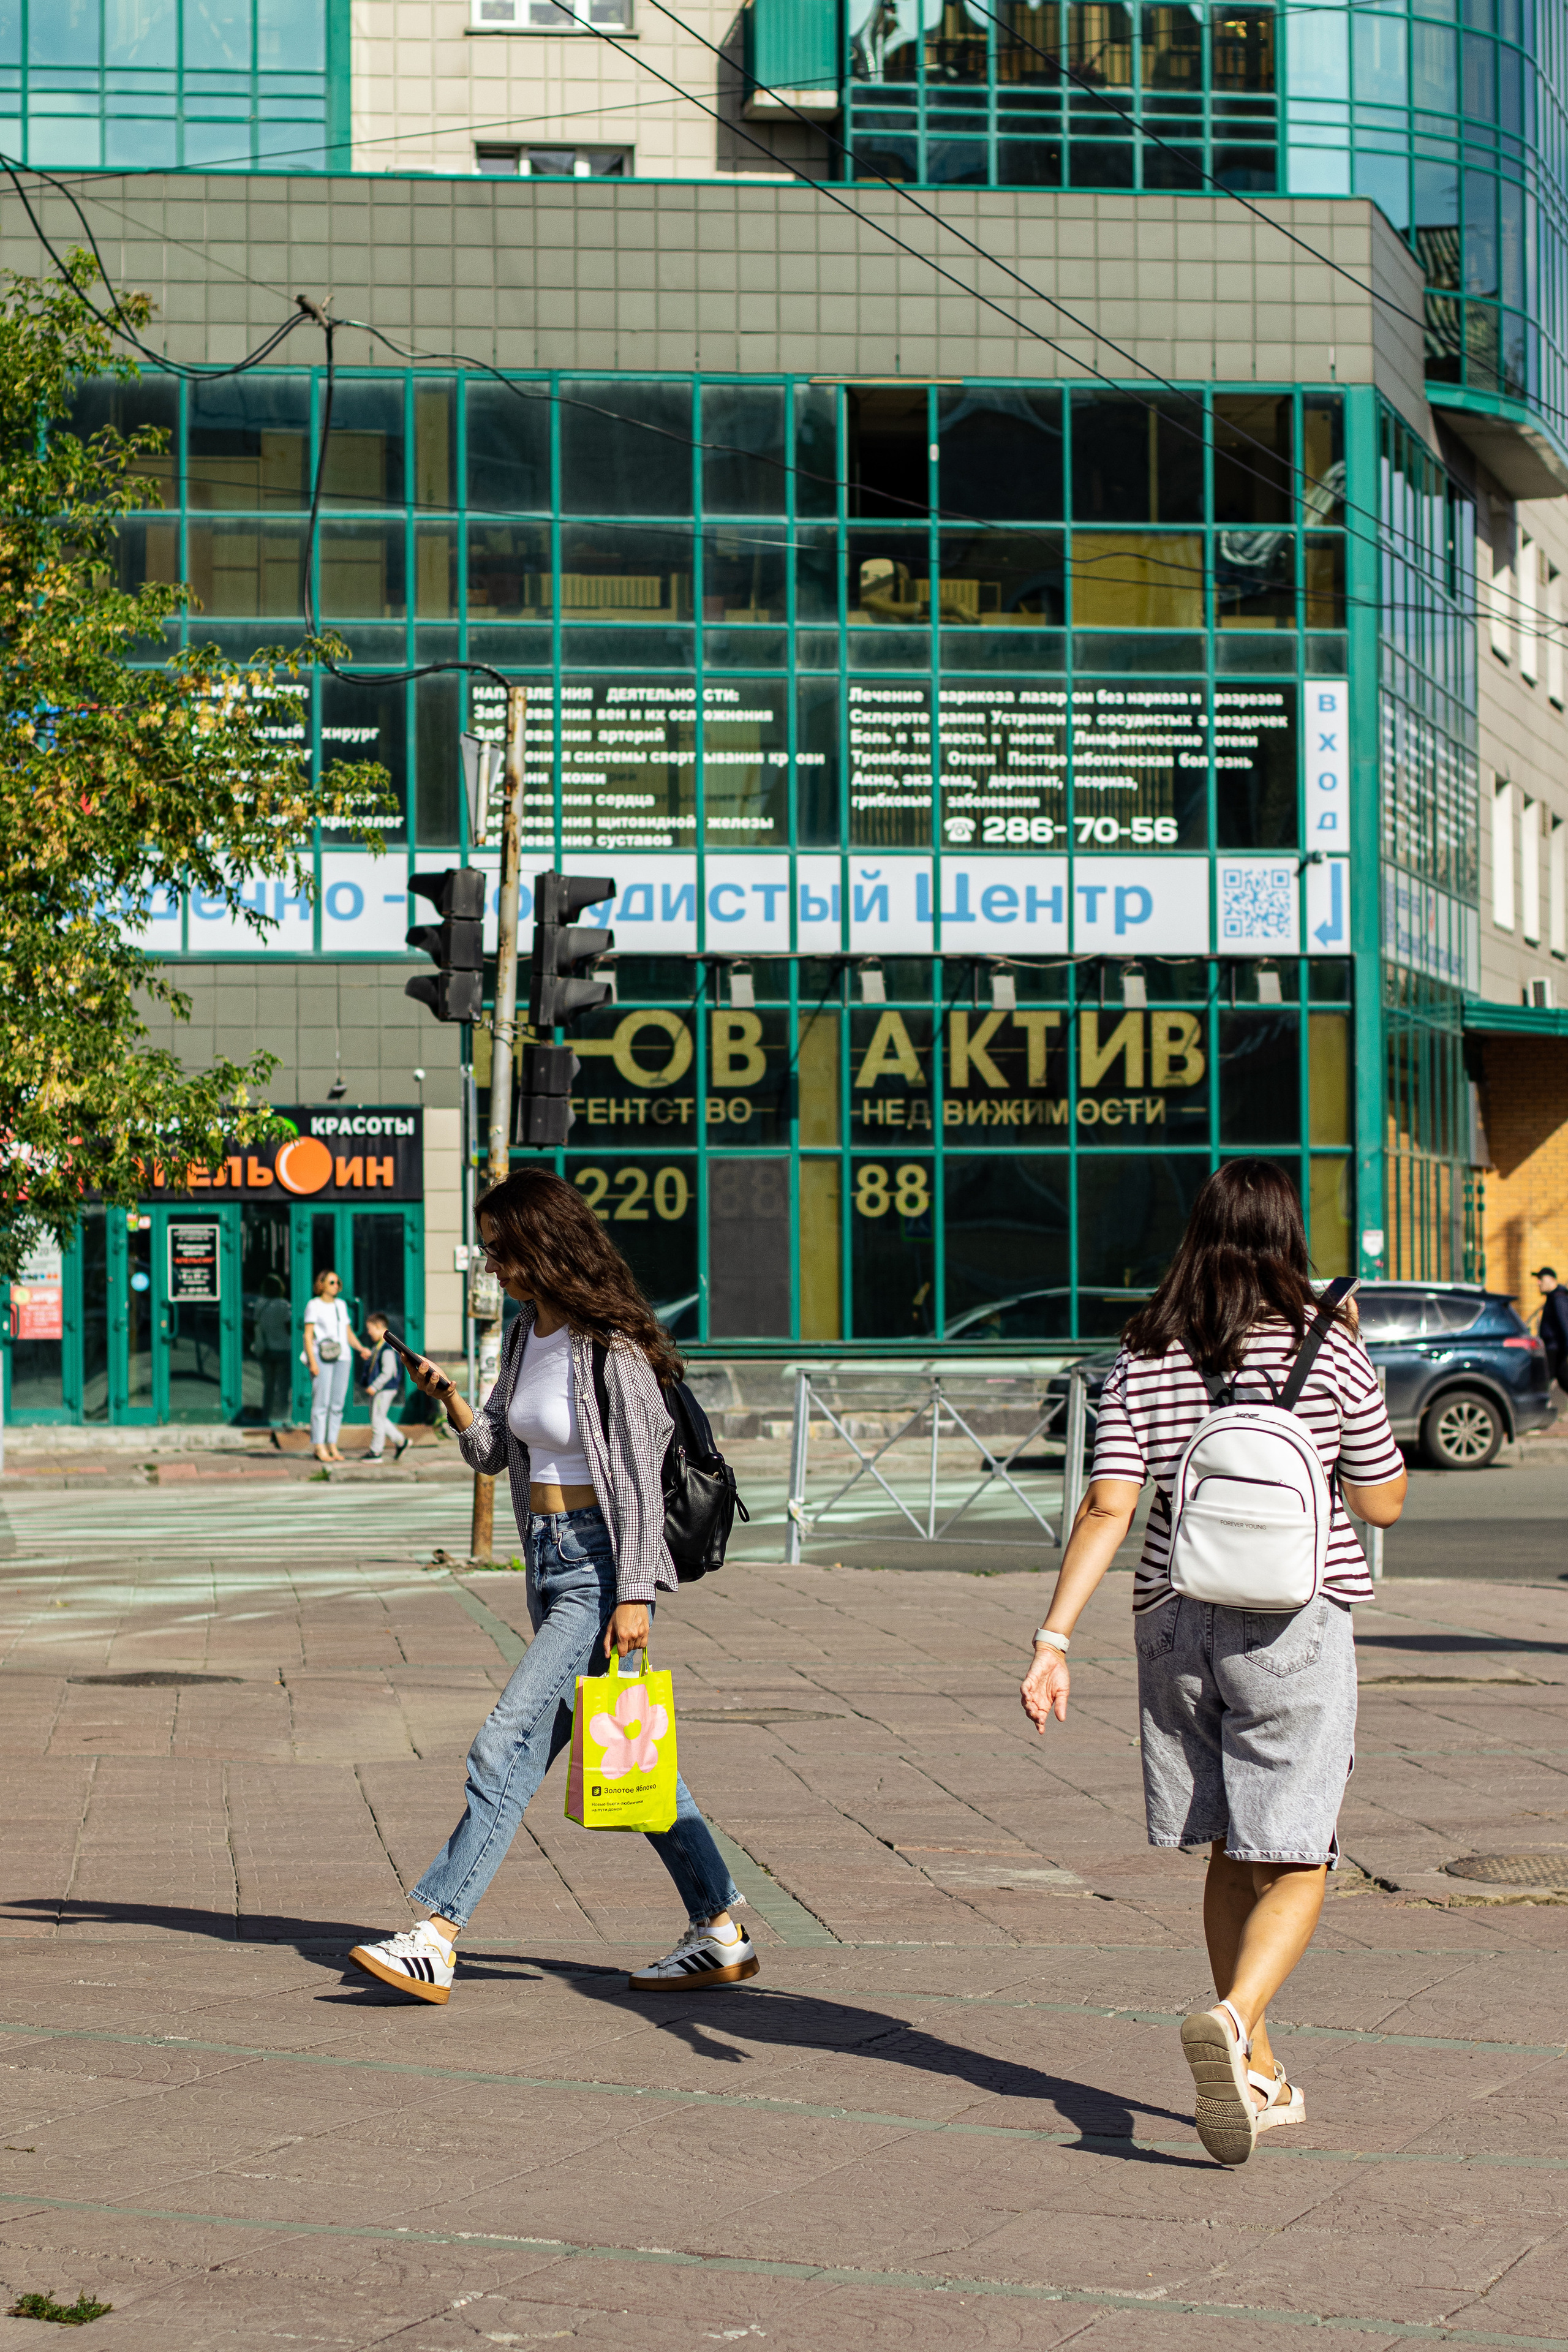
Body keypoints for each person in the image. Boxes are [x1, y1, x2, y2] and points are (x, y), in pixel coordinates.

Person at [1020, 1161, 1407, 2168]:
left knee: (1237, 1845)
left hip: (1174, 1620)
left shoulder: (1147, 1351)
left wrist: (1053, 1639)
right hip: (1295, 1623)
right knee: (1306, 1847)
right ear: (1288, 1237)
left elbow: (1110, 1503)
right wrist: (1352, 1365)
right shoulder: (1331, 1349)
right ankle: (1235, 2022)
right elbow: (1384, 1501)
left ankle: (1259, 2073)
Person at [348, 1166, 755, 2007]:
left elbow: (641, 1481)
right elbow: (495, 1453)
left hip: (602, 1574)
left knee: (506, 1744)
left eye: (503, 1249)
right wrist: (453, 1400)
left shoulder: (614, 1348)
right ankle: (720, 1925)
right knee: (633, 1759)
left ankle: (436, 1934)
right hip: (547, 1562)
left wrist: (635, 1594)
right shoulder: (525, 1335)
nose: (493, 1264)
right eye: (491, 1250)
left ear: (544, 1244)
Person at [303, 1269, 369, 1464]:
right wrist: (312, 1362)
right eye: (332, 1283)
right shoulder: (313, 1305)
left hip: (343, 1357)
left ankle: (332, 1443)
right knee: (321, 1403)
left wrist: (360, 1348)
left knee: (337, 1404)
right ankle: (319, 1445)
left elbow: (347, 1332)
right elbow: (308, 1335)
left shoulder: (341, 1305)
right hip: (321, 1356)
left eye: (338, 1283)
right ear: (321, 1284)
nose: (336, 1286)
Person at [361, 1312, 410, 1462]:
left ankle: (376, 1452)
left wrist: (375, 1386)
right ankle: (401, 1441)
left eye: (370, 1329)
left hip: (384, 1389)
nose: (368, 1333)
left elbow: (388, 1372)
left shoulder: (387, 1347)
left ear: (379, 1327)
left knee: (377, 1419)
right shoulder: (381, 1346)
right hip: (385, 1389)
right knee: (379, 1417)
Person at [253, 1272, 294, 1427]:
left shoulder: (260, 1304)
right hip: (283, 1348)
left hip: (267, 1349)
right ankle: (282, 1417)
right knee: (283, 1386)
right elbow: (290, 1327)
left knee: (268, 1385)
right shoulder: (284, 1305)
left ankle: (266, 1415)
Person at [1533, 1268, 1568, 1401]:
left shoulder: (1559, 1299)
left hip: (1555, 1348)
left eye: (1541, 1279)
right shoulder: (1553, 1298)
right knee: (1563, 1377)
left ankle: (1537, 1409)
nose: (1538, 1283)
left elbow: (1566, 1323)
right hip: (1553, 1347)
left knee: (1544, 1380)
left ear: (1552, 1280)